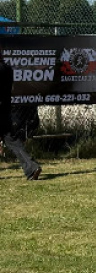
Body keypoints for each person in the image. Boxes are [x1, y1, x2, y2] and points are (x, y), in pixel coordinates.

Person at [0, 52, 41, 180]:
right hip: (4, 109)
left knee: (11, 139)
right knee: (11, 140)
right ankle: (32, 167)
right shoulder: (7, 68)